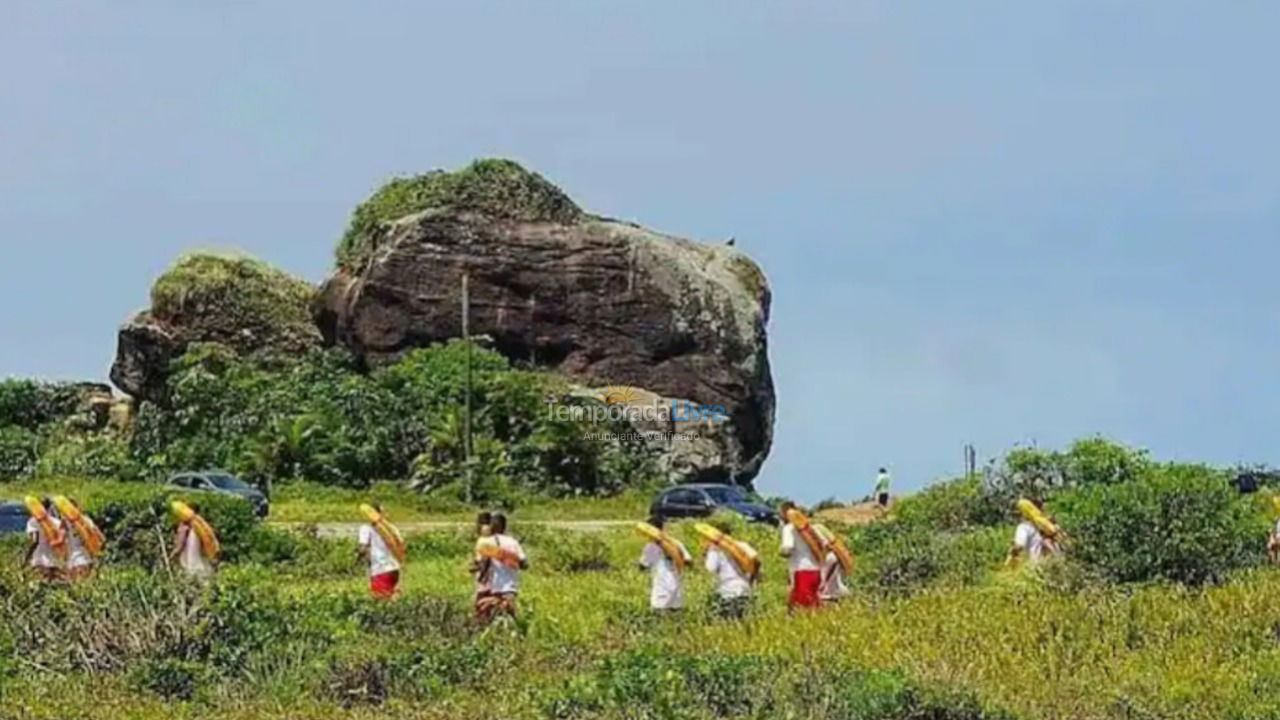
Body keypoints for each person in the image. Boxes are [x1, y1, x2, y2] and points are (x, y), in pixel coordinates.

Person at [474, 513, 528, 623]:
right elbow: (524, 564)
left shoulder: (485, 542)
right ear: (505, 527)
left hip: (492, 588)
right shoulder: (513, 542)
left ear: (492, 526)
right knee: (510, 619)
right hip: (510, 588)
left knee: (484, 619)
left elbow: (480, 563)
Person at [703, 519, 757, 619]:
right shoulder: (742, 545)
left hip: (727, 592)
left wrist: (706, 552)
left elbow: (710, 568)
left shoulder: (715, 549)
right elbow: (756, 561)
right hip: (745, 590)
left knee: (728, 621)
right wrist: (752, 580)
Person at [638, 515, 693, 612]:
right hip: (677, 595)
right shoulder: (676, 543)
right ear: (662, 527)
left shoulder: (651, 547)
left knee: (659, 620)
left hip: (661, 593)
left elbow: (643, 566)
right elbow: (688, 561)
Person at [778, 502, 825, 610]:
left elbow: (787, 548)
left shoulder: (788, 528)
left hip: (801, 572)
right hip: (816, 571)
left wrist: (781, 552)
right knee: (814, 608)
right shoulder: (809, 528)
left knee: (801, 611)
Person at [357, 503, 402, 598]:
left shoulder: (366, 528)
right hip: (394, 569)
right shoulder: (392, 528)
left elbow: (363, 548)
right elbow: (400, 544)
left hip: (380, 569)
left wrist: (359, 560)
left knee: (379, 599)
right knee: (392, 597)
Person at [171, 501, 216, 580]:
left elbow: (179, 546)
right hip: (202, 562)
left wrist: (172, 556)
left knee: (189, 577)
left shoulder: (185, 526)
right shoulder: (202, 526)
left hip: (189, 562)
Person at [1007, 498, 1058, 567]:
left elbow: (1019, 546)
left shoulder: (1023, 527)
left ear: (1022, 512)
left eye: (1017, 510)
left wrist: (1012, 552)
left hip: (1033, 568)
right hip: (1048, 566)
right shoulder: (1042, 525)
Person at [24, 497, 64, 582]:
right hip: (54, 560)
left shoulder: (33, 522)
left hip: (39, 559)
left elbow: (35, 541)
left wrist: (27, 557)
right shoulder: (57, 522)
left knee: (39, 586)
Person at [61, 497, 97, 581]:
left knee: (75, 589)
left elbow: (60, 539)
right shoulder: (87, 520)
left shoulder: (65, 522)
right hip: (87, 559)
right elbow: (95, 537)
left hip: (73, 561)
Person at [814, 523, 849, 603]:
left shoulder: (829, 558)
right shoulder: (835, 555)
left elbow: (821, 581)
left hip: (828, 598)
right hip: (837, 594)